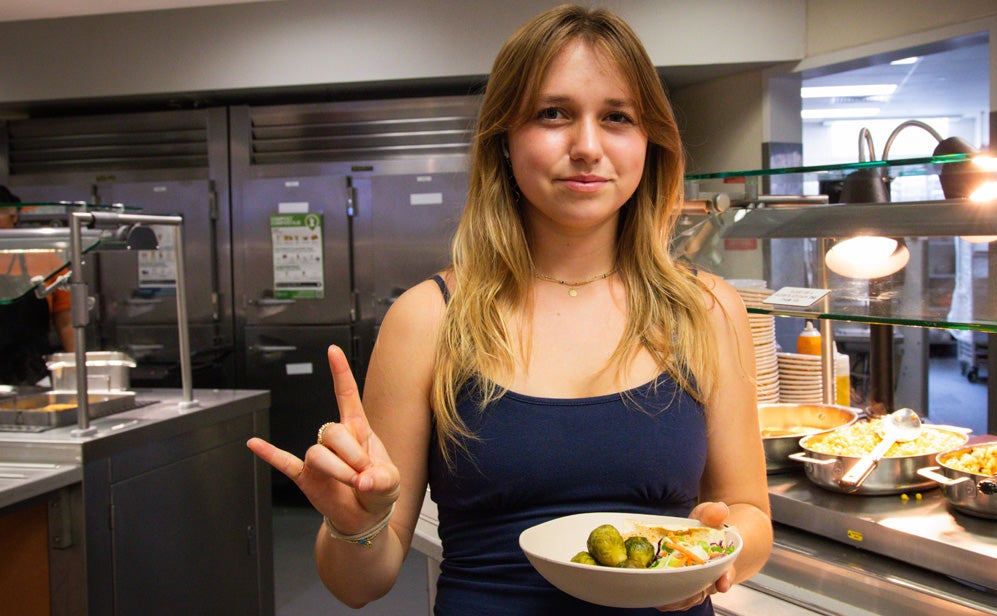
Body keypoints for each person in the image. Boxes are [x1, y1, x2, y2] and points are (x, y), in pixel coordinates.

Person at [247, 5, 773, 614]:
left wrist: (721, 552)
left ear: (648, 142)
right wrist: (354, 523)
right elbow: (359, 583)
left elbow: (750, 513)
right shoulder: (430, 319)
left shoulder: (706, 310)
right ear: (504, 138)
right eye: (553, 114)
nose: (586, 146)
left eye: (617, 117)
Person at [0, 185, 76, 386]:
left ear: (14, 215)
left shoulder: (47, 261)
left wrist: (78, 371)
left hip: (32, 375)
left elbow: (67, 324)